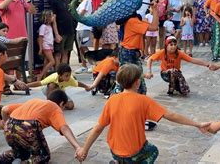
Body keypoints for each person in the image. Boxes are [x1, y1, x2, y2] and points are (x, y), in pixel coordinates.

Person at [74, 64, 210, 163]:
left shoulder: (112, 99)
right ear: (138, 82)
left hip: (114, 150)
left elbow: (98, 128)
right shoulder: (143, 101)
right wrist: (197, 124)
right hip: (134, 152)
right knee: (153, 151)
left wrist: (84, 150)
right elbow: (171, 115)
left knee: (125, 155)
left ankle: (119, 162)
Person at [0, 90, 82, 163]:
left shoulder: (34, 101)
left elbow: (5, 109)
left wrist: (4, 124)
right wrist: (77, 147)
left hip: (9, 127)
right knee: (43, 156)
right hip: (27, 128)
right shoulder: (55, 107)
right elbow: (64, 128)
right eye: (63, 107)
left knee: (20, 153)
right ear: (61, 103)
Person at [145, 36, 210, 96]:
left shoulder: (179, 53)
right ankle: (171, 89)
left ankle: (175, 86)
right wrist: (149, 71)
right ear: (166, 45)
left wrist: (208, 65)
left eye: (175, 45)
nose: (173, 47)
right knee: (172, 71)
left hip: (177, 74)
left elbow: (193, 60)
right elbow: (150, 59)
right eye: (171, 45)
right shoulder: (162, 52)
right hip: (165, 74)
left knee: (185, 91)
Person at [26, 64, 91, 110]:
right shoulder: (53, 77)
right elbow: (39, 83)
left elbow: (78, 83)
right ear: (60, 75)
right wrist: (26, 85)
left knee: (71, 106)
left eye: (69, 75)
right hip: (48, 90)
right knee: (52, 85)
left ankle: (58, 103)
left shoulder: (70, 79)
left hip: (60, 93)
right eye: (66, 75)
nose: (68, 77)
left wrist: (86, 87)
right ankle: (49, 103)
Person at [51, 0, 75, 66]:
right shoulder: (54, 0)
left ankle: (64, 73)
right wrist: (56, 34)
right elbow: (53, 18)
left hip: (70, 30)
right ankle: (58, 74)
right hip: (60, 32)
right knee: (58, 54)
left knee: (66, 53)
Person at [74, 0, 94, 73]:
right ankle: (84, 65)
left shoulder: (87, 1)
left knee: (84, 47)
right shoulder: (81, 2)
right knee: (80, 47)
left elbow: (81, 13)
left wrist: (75, 15)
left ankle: (92, 64)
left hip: (85, 28)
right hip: (79, 27)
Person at [37, 10, 56, 80]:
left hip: (50, 45)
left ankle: (44, 77)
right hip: (46, 45)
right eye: (51, 16)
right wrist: (41, 48)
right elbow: (40, 37)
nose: (53, 17)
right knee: (52, 61)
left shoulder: (49, 26)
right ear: (47, 17)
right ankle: (41, 75)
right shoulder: (43, 27)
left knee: (46, 61)